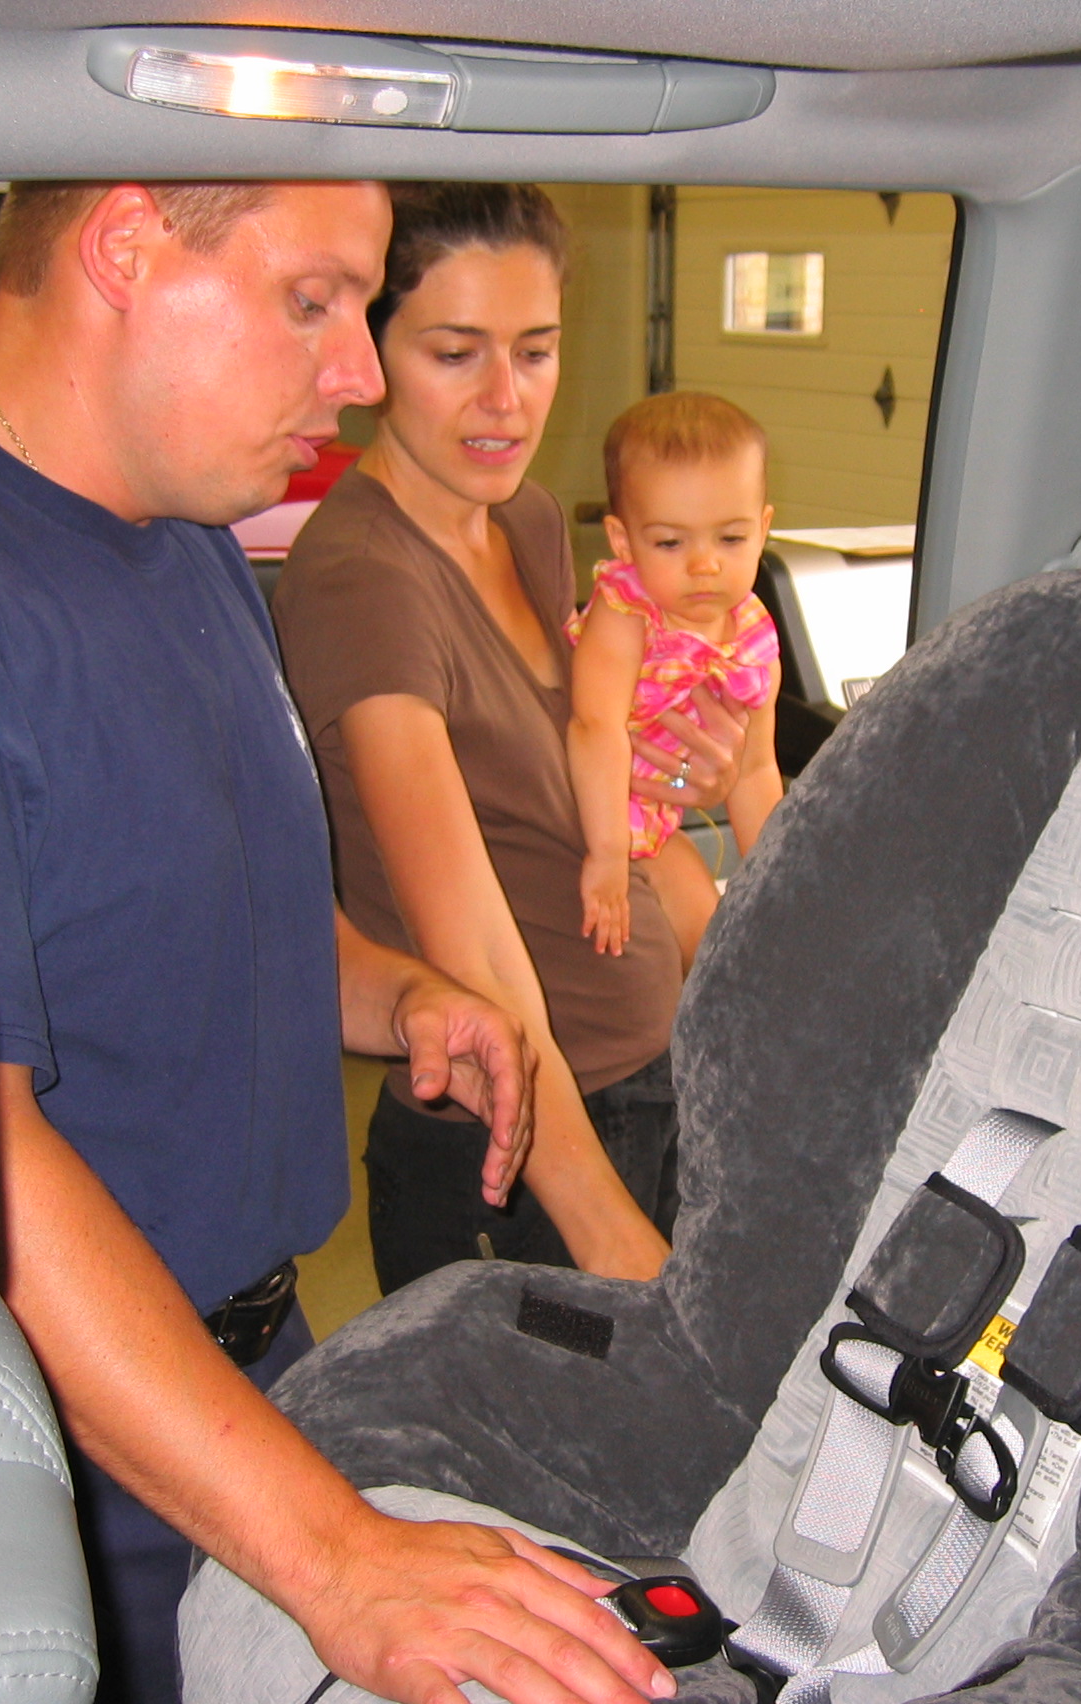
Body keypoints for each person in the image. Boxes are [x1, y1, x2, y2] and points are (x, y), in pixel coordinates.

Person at [0, 178, 676, 1704]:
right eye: (313, 301)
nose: (356, 370)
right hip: (45, 1452)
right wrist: (335, 1558)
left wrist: (401, 991)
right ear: (126, 246)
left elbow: (221, 900)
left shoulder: (185, 530)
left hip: (249, 1369)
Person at [277, 184, 749, 1294]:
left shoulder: (527, 519)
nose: (505, 400)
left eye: (534, 352)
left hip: (641, 1092)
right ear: (374, 351)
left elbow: (582, 799)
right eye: (455, 353)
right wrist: (603, 1228)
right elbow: (471, 951)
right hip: (518, 1150)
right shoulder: (364, 581)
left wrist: (686, 788)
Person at [568, 393, 783, 968]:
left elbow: (755, 770)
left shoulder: (754, 638)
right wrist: (609, 854)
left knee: (720, 952)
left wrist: (776, 884)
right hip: (591, 808)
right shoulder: (626, 613)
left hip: (656, 829)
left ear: (763, 528)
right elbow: (595, 725)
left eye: (730, 539)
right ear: (623, 541)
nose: (704, 564)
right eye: (670, 542)